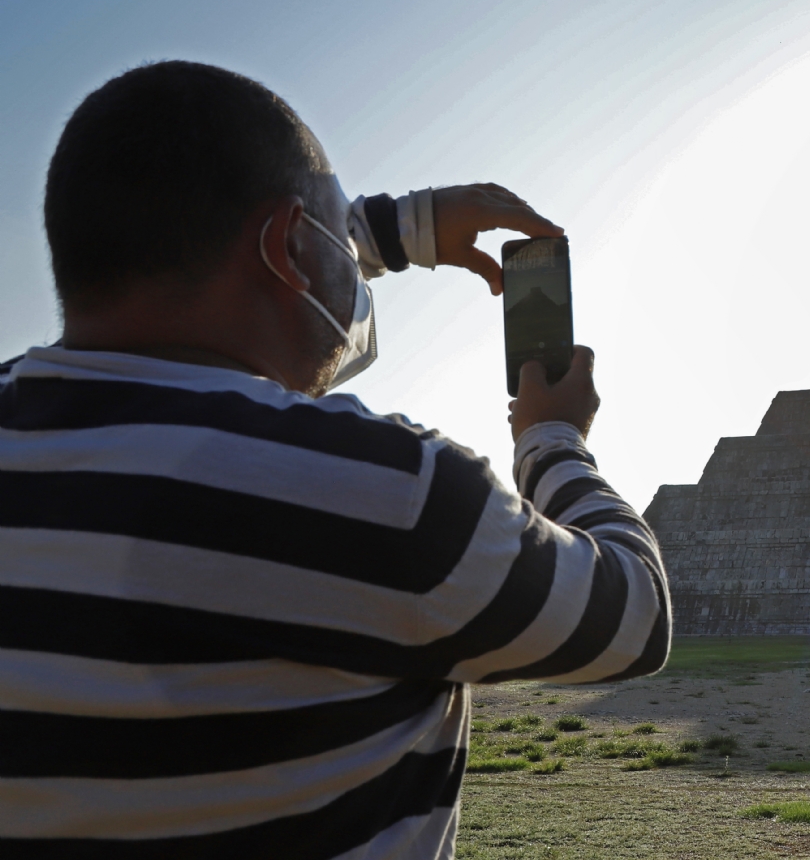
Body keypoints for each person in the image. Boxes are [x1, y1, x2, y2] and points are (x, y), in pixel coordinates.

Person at [0, 61, 670, 858]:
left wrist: (397, 228)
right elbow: (634, 615)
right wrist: (553, 438)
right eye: (336, 237)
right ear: (288, 245)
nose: (352, 265)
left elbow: (224, 267)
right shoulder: (390, 495)